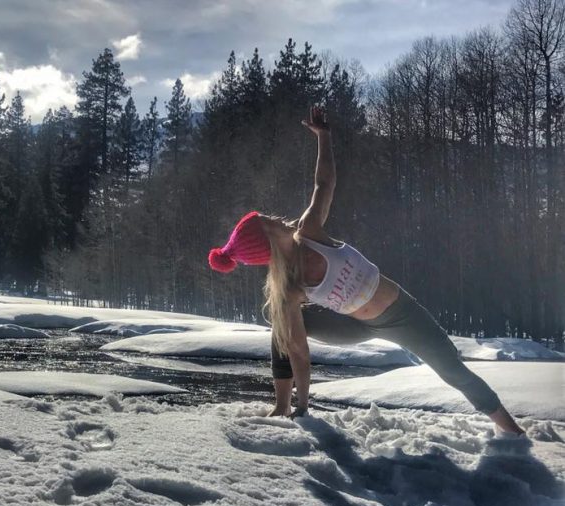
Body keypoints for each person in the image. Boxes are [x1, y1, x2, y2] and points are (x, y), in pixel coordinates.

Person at [207, 106, 524, 436]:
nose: (279, 219)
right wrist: (303, 407)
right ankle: (284, 405)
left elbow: (323, 184)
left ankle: (513, 433)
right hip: (354, 324)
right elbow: (300, 354)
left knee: (451, 369)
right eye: (271, 223)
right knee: (282, 322)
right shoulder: (290, 289)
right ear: (268, 247)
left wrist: (324, 138)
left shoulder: (309, 231)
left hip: (400, 313)